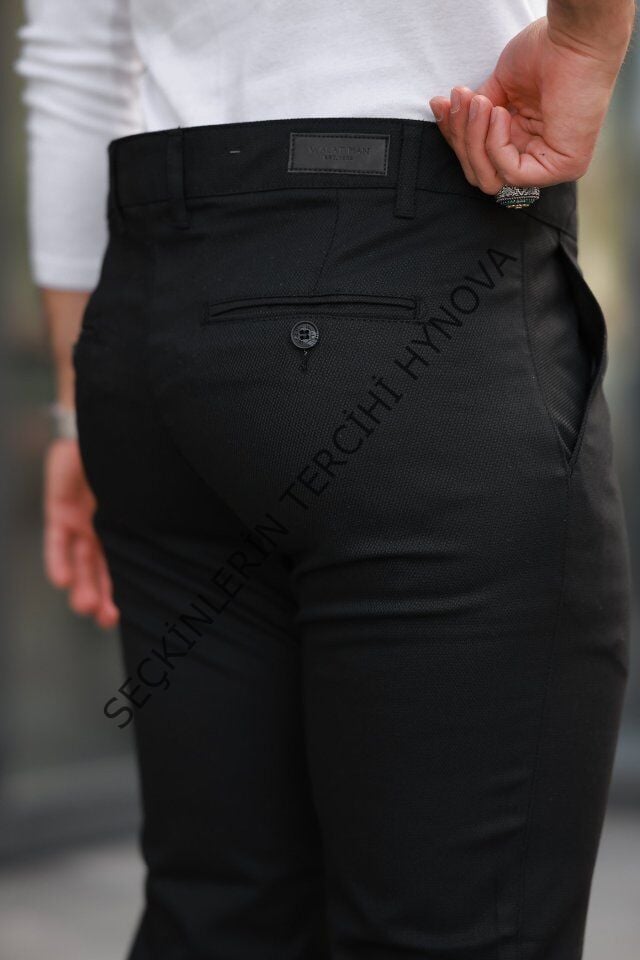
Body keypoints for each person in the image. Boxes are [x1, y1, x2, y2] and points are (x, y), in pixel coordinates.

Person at [15, 1, 635, 957]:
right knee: (455, 929)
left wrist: (73, 407)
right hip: (420, 272)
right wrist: (586, 41)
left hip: (156, 318)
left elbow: (75, 51)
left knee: (221, 915)